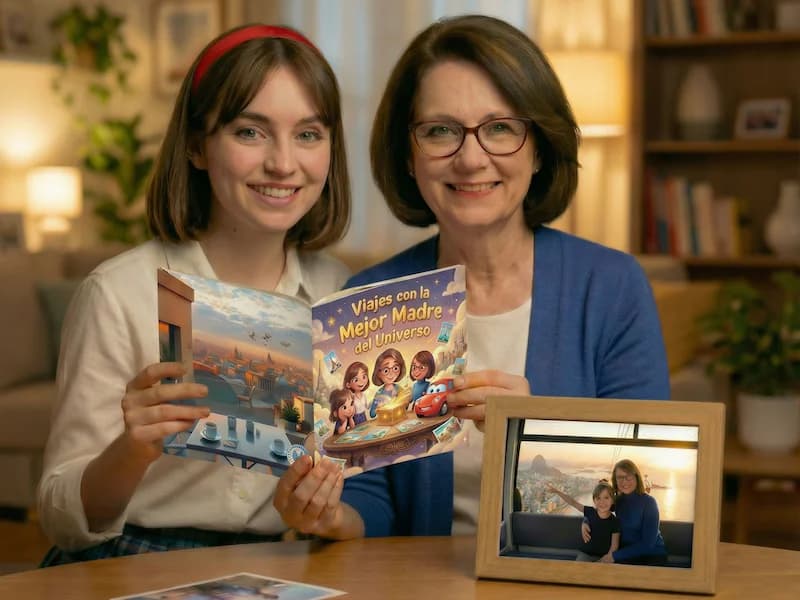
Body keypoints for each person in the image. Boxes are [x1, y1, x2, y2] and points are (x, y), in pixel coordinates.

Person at [272, 14, 669, 540]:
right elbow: (369, 503)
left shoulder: (612, 287)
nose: (471, 157)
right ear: (409, 156)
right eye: (441, 131)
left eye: (500, 128)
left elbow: (646, 485)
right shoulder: (369, 300)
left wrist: (537, 429)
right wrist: (329, 517)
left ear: (539, 147)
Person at [36, 23, 351, 564]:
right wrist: (133, 449)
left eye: (308, 133)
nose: (283, 163)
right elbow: (60, 518)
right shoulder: (119, 292)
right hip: (129, 558)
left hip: (276, 564)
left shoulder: (340, 295)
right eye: (250, 132)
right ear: (197, 146)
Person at [584, 459, 667, 565]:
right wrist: (585, 521)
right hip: (626, 553)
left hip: (652, 555)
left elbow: (648, 544)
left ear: (636, 477)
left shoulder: (649, 503)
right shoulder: (618, 501)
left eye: (628, 476)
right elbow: (599, 509)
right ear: (615, 480)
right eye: (620, 477)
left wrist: (614, 556)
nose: (624, 481)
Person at [546, 480, 620, 562]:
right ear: (594, 501)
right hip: (586, 554)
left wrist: (606, 559)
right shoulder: (590, 511)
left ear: (612, 500)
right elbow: (573, 502)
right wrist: (558, 492)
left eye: (606, 497)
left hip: (604, 557)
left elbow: (614, 546)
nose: (602, 502)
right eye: (598, 498)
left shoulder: (615, 521)